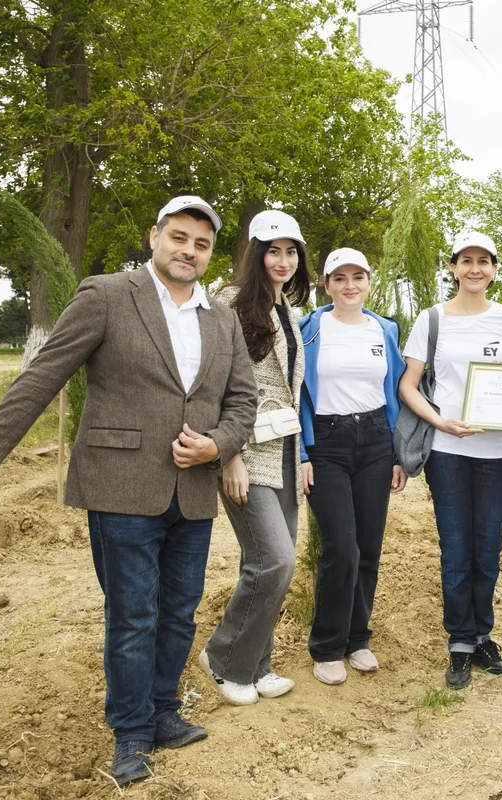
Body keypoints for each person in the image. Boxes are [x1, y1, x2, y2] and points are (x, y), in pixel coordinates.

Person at [0, 196, 257, 787]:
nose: (189, 251)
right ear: (155, 237)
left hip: (194, 488)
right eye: (179, 237)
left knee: (179, 612)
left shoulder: (220, 317)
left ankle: (163, 713)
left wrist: (218, 445)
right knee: (132, 615)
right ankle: (129, 734)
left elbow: (242, 401)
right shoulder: (107, 294)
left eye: (201, 244)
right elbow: (45, 371)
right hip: (120, 484)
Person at [399, 231, 502, 689]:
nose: (475, 269)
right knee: (456, 549)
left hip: (496, 449)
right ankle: (459, 644)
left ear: (493, 269)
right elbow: (408, 385)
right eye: (466, 260)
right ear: (452, 267)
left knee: (488, 548)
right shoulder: (431, 319)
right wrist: (442, 422)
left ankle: (483, 635)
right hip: (448, 450)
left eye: (484, 261)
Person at [197, 210, 310, 706]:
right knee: (274, 560)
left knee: (274, 564)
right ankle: (224, 660)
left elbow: (292, 391)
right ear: (255, 252)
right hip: (246, 452)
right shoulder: (229, 302)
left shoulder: (289, 308)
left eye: (291, 251)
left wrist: (302, 455)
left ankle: (256, 664)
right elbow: (215, 384)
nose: (282, 260)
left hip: (283, 450)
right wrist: (228, 455)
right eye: (272, 250)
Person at [298, 247, 407, 685]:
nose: (349, 286)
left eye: (357, 277)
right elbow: (296, 393)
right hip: (327, 442)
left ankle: (357, 639)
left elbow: (396, 389)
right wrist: (304, 452)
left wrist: (398, 453)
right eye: (339, 278)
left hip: (377, 440)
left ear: (369, 282)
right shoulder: (309, 328)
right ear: (326, 286)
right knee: (340, 548)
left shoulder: (385, 329)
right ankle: (326, 646)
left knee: (368, 547)